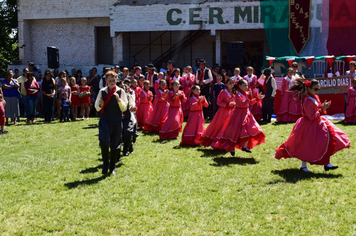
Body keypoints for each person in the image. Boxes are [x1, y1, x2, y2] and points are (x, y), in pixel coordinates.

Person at [275, 79, 351, 172]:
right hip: (309, 124)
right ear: (309, 89)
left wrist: (322, 107)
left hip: (318, 123)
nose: (317, 91)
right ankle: (304, 166)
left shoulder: (315, 97)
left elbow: (317, 110)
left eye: (318, 89)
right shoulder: (307, 100)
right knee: (306, 144)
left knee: (328, 140)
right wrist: (322, 109)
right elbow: (311, 116)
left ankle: (327, 163)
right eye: (315, 89)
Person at [214, 79, 266, 155]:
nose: (246, 87)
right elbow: (242, 104)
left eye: (247, 85)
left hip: (246, 113)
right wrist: (249, 98)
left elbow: (251, 102)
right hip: (238, 114)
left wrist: (258, 98)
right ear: (239, 86)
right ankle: (232, 148)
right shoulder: (238, 94)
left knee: (249, 129)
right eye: (245, 85)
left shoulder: (246, 93)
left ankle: (244, 146)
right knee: (236, 131)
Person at [95, 71, 128, 175]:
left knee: (115, 144)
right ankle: (105, 165)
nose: (111, 82)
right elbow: (96, 107)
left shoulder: (121, 91)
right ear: (106, 81)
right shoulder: (102, 91)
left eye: (113, 80)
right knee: (104, 141)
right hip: (105, 119)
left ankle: (112, 167)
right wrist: (100, 105)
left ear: (116, 80)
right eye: (109, 80)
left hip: (116, 120)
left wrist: (118, 100)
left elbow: (124, 108)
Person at [201, 77, 235, 148]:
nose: (231, 84)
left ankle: (227, 142)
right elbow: (218, 102)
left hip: (231, 111)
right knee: (220, 126)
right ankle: (217, 142)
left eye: (233, 83)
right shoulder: (223, 91)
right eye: (230, 83)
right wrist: (227, 104)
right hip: (223, 112)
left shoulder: (234, 92)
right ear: (226, 84)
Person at [122, 84, 137, 156]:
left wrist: (132, 107)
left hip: (128, 117)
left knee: (128, 132)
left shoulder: (129, 96)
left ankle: (127, 149)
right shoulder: (116, 97)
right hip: (119, 118)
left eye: (125, 89)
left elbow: (132, 104)